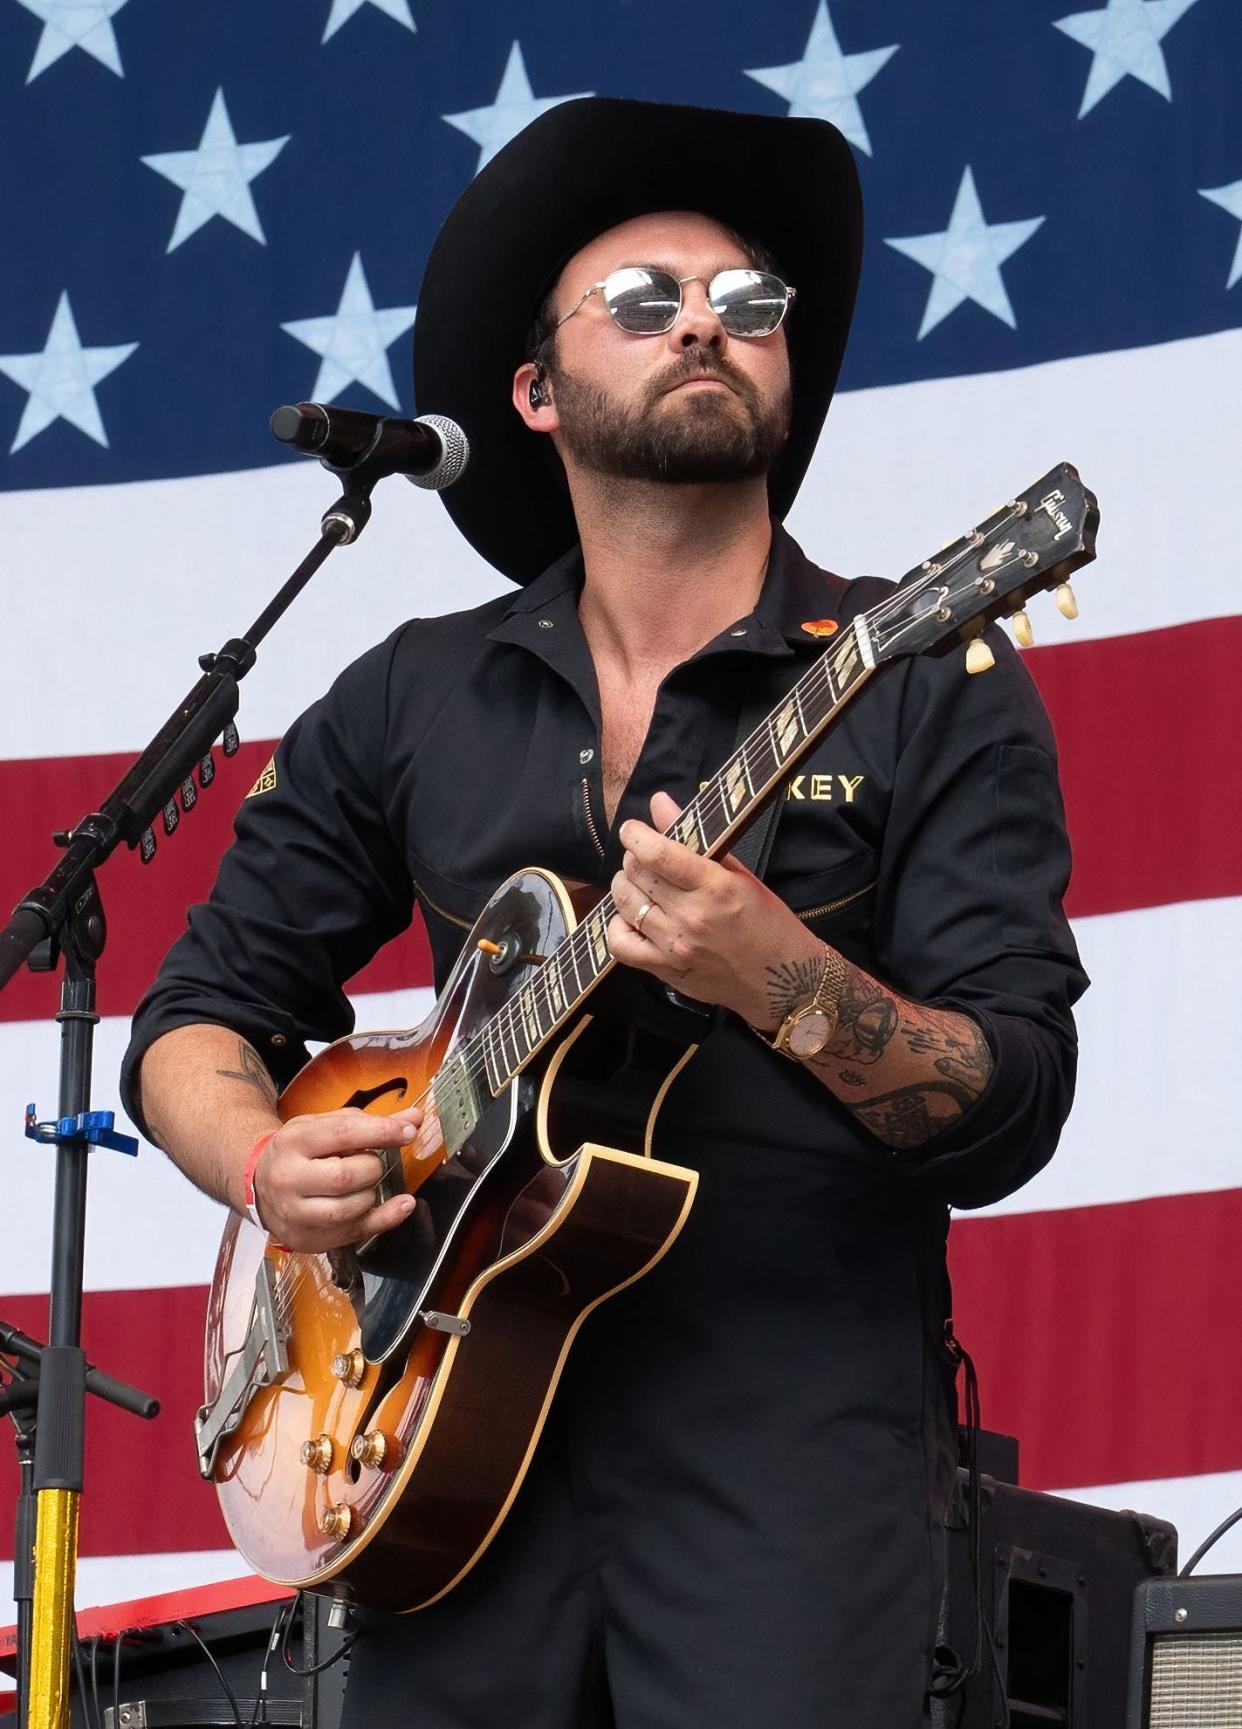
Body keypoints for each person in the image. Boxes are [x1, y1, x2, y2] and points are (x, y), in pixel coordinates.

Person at [122, 99, 1087, 1727]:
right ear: (534, 392)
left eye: (751, 303)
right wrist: (264, 1163)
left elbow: (1010, 1103)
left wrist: (778, 977)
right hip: (432, 1466)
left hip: (781, 1477)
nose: (709, 320)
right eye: (643, 298)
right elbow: (195, 1016)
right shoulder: (416, 690)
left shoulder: (926, 679)